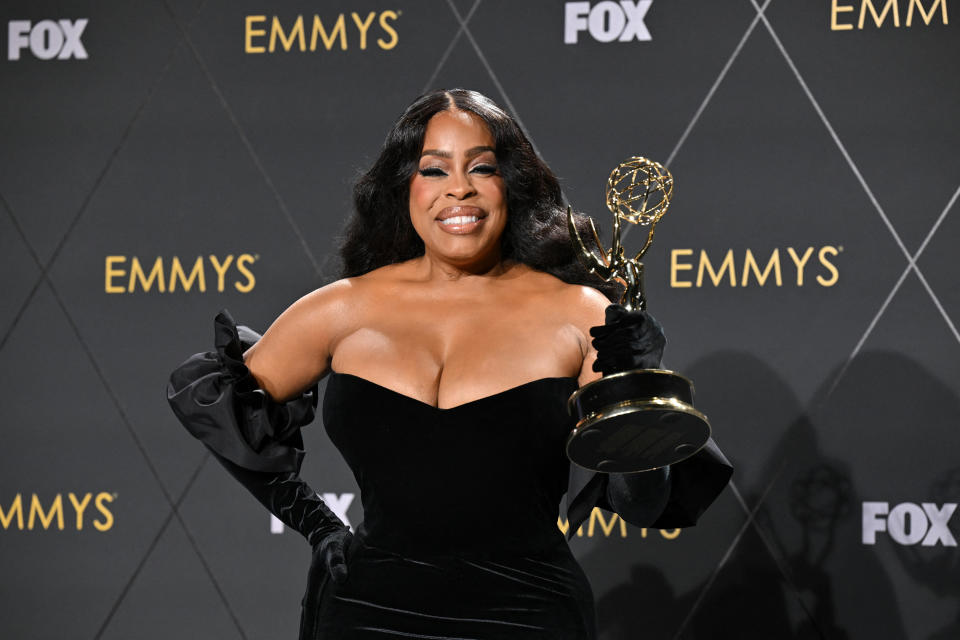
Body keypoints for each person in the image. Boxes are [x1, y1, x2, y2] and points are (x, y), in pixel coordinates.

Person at [167, 89, 731, 639]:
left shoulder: (580, 314)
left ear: (510, 184)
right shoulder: (342, 308)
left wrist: (636, 392)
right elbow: (219, 405)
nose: (457, 189)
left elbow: (642, 501)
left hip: (528, 614)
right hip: (366, 612)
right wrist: (315, 523)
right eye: (434, 170)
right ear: (403, 187)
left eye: (481, 168)